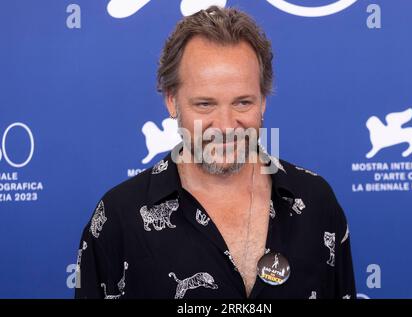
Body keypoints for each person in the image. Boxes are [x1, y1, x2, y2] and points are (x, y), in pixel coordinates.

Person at [75, 5, 355, 299]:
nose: (224, 126)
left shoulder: (315, 203)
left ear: (263, 101)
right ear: (172, 101)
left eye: (242, 103)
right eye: (205, 104)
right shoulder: (119, 218)